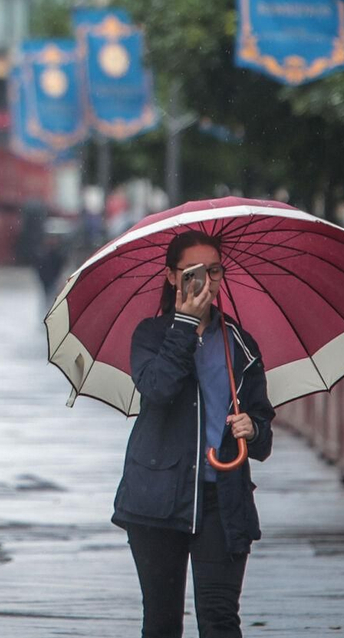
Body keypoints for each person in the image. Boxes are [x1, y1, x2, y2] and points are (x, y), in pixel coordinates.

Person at [113, 230, 276, 638]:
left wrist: (252, 428)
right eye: (194, 271)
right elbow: (158, 389)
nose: (207, 280)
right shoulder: (150, 335)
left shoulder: (239, 343)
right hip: (157, 500)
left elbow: (264, 436)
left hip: (223, 500)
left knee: (220, 619)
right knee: (163, 622)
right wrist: (184, 324)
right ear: (172, 277)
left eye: (215, 270)